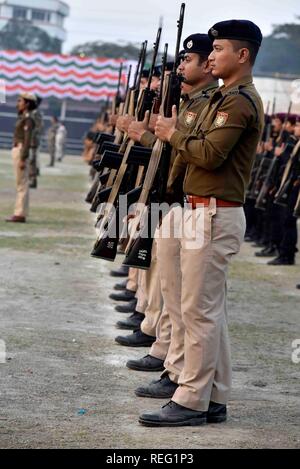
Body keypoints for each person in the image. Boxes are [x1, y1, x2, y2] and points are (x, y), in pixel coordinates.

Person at [138, 19, 265, 427]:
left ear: (242, 55)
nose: (212, 56)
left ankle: (191, 398)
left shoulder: (239, 102)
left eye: (220, 49)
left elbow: (209, 155)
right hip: (201, 210)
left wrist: (174, 134)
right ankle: (212, 395)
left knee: (199, 312)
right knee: (205, 310)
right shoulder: (221, 98)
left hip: (215, 212)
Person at [5, 93, 36, 223]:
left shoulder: (28, 119)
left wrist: (23, 157)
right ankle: (20, 212)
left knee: (22, 183)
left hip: (21, 150)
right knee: (21, 183)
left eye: (20, 101)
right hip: (17, 149)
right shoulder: (23, 117)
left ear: (27, 104)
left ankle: (20, 213)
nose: (18, 103)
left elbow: (27, 140)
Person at [29, 96, 43, 188]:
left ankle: (33, 180)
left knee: (32, 160)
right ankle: (31, 179)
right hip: (31, 140)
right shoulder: (33, 112)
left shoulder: (36, 113)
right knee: (31, 161)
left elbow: (38, 127)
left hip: (33, 141)